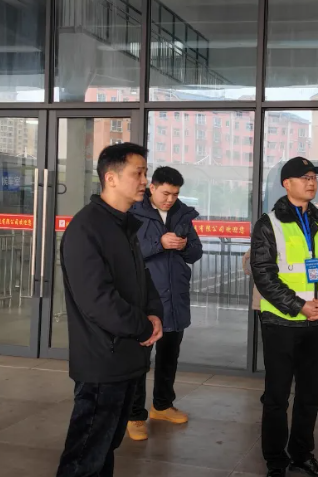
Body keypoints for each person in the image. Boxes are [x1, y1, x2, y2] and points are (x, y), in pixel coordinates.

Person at [56, 143, 164, 477]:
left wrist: (154, 314)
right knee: (85, 456)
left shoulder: (122, 226)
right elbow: (97, 300)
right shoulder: (87, 228)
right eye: (137, 173)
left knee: (104, 450)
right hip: (102, 361)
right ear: (111, 178)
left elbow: (142, 279)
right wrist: (143, 327)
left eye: (145, 173)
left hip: (126, 357)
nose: (144, 181)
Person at [251, 156, 318, 477]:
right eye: (304, 177)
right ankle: (276, 461)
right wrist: (299, 306)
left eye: (314, 177)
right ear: (287, 183)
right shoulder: (269, 224)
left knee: (310, 395)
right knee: (277, 397)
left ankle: (302, 455)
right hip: (281, 323)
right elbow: (264, 275)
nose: (311, 182)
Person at [126, 166, 203, 440]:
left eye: (175, 194)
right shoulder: (133, 212)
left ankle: (162, 405)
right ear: (152, 188)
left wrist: (184, 246)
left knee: (169, 356)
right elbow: (127, 252)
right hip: (146, 299)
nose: (170, 199)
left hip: (175, 297)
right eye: (166, 193)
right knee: (139, 360)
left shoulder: (183, 214)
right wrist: (159, 242)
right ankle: (135, 416)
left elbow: (196, 252)